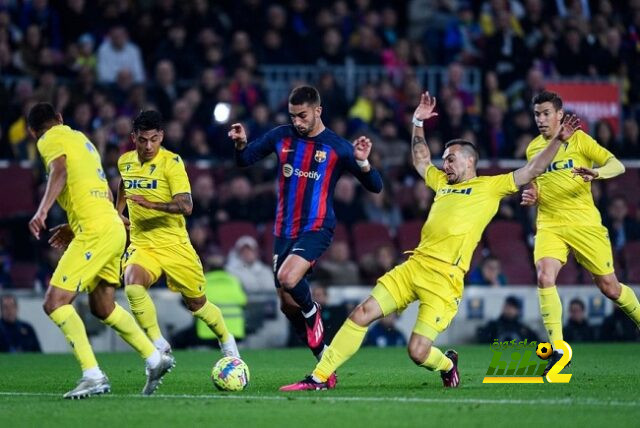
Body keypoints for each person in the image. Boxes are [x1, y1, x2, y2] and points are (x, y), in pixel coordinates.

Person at [279, 91, 579, 391]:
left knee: (417, 351)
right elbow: (421, 159)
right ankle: (319, 377)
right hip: (415, 265)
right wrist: (417, 122)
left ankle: (448, 364)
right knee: (361, 313)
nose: (444, 165)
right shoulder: (441, 183)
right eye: (444, 160)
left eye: (451, 159)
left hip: (446, 280)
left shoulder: (491, 187)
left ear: (470, 160)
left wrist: (558, 141)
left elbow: (533, 169)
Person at [228, 85, 383, 377]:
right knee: (288, 304)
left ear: (317, 111)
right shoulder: (281, 136)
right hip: (283, 231)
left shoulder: (336, 147)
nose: (297, 122)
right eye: (292, 116)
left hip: (317, 227)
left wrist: (362, 162)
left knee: (289, 279)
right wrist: (239, 144)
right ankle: (324, 359)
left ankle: (313, 314)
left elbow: (376, 186)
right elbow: (244, 160)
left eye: (302, 115)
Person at [27, 103, 172, 399]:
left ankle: (92, 375)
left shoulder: (49, 138)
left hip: (96, 229)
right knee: (102, 307)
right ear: (61, 119)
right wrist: (77, 223)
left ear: (33, 132)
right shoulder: (82, 139)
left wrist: (43, 211)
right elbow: (102, 189)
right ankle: (154, 358)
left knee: (55, 302)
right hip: (111, 227)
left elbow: (60, 170)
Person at [521, 91, 640, 374]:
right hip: (549, 223)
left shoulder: (580, 140)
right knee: (543, 276)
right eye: (537, 114)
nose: (541, 119)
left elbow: (617, 164)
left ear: (560, 115)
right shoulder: (532, 148)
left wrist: (596, 174)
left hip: (584, 224)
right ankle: (559, 351)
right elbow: (536, 182)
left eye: (546, 113)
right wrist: (533, 194)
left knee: (610, 287)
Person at [115, 110, 239, 364]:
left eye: (153, 139)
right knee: (132, 283)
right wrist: (117, 213)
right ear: (133, 138)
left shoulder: (172, 163)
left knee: (197, 305)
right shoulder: (124, 162)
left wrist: (151, 205)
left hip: (174, 244)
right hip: (142, 243)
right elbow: (123, 184)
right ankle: (160, 345)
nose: (148, 146)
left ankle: (226, 339)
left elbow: (187, 206)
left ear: (161, 136)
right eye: (142, 140)